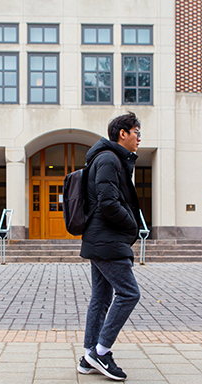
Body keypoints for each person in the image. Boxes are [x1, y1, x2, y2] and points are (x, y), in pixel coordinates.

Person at [77, 112, 142, 381]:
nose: (139, 138)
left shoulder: (110, 158)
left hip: (101, 239)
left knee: (102, 297)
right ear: (122, 133)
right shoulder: (108, 159)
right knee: (129, 293)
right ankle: (101, 352)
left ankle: (88, 357)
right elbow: (108, 203)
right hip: (107, 240)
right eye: (136, 132)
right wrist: (133, 226)